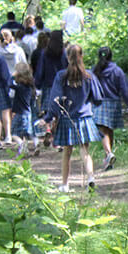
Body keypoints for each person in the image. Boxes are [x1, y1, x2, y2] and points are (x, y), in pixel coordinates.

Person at [37, 43, 101, 192]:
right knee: (85, 151)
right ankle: (90, 178)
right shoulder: (89, 76)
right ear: (82, 56)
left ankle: (65, 184)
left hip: (67, 118)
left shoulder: (61, 76)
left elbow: (55, 99)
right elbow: (98, 97)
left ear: (67, 57)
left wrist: (48, 118)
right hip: (85, 118)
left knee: (67, 152)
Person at [92, 46, 127, 171]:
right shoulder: (117, 71)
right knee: (109, 130)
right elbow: (124, 90)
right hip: (114, 103)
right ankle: (108, 160)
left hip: (99, 103)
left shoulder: (95, 70)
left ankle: (108, 154)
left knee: (103, 131)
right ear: (111, 56)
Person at [34, 29, 67, 144]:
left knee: (48, 109)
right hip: (61, 85)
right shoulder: (63, 52)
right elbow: (66, 67)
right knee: (59, 110)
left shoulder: (45, 53)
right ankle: (55, 131)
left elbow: (40, 70)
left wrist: (37, 84)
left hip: (48, 85)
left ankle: (48, 128)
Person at [9, 61, 40, 158]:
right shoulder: (30, 87)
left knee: (13, 133)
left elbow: (8, 83)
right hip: (28, 113)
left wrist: (12, 76)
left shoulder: (19, 87)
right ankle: (36, 143)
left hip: (19, 113)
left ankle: (21, 145)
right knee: (28, 132)